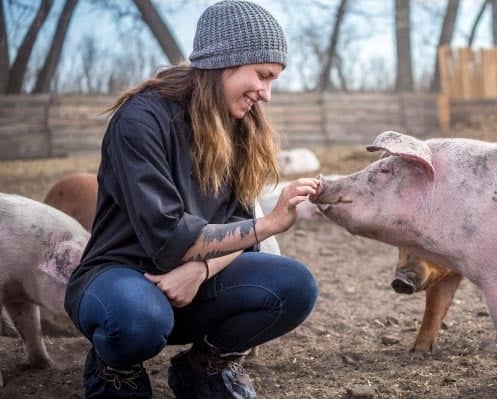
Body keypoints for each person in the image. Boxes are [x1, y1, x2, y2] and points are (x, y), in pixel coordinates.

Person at [63, 1, 319, 398]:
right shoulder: (141, 120)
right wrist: (268, 224)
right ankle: (114, 367)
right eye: (263, 75)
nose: (266, 94)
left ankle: (204, 369)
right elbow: (170, 237)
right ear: (226, 59)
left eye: (274, 81)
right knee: (137, 319)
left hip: (193, 282)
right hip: (122, 280)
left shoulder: (240, 128)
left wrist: (199, 272)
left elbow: (235, 226)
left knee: (296, 285)